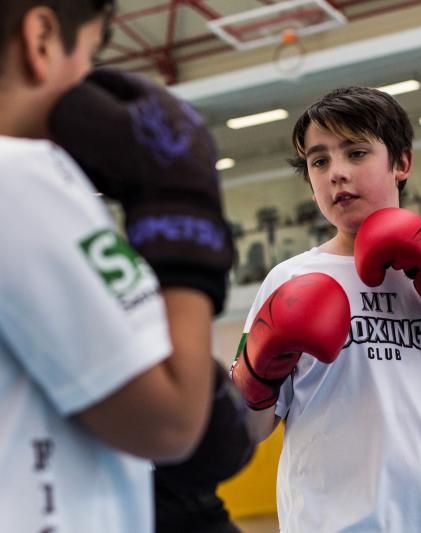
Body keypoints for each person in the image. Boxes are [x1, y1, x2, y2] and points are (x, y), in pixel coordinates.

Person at [229, 86, 421, 532]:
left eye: (356, 152)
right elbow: (244, 437)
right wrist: (259, 369)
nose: (336, 173)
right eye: (319, 160)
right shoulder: (289, 281)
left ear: (401, 163)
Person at [0, 2, 238, 532]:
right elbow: (172, 423)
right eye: (90, 53)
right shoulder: (21, 175)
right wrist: (181, 204)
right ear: (40, 39)